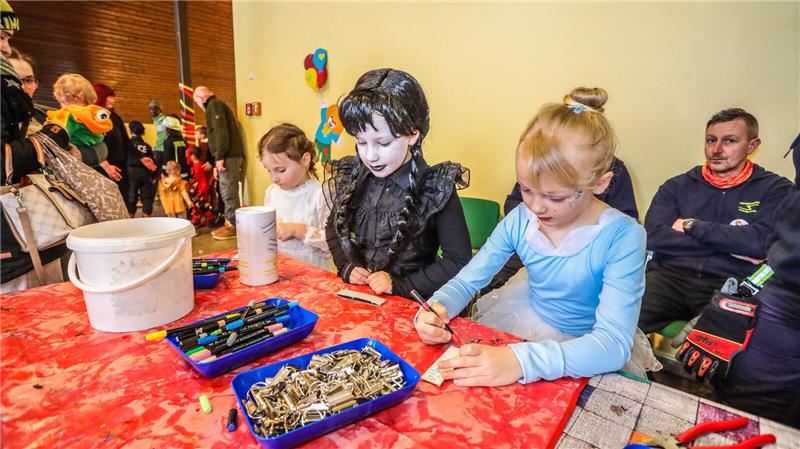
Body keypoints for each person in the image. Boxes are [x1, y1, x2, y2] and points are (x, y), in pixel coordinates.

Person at [415, 88, 651, 386]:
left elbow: (612, 344)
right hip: (526, 320)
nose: (537, 207)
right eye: (526, 189)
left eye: (555, 197)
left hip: (586, 352)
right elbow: (467, 280)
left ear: (601, 183)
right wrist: (438, 307)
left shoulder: (623, 237)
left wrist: (520, 360)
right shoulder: (520, 220)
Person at [638, 108, 793, 333]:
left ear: (752, 146)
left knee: (722, 341)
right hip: (669, 278)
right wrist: (729, 243)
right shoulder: (677, 186)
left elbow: (760, 243)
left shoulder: (776, 189)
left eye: (729, 141)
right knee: (621, 321)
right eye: (711, 140)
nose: (716, 150)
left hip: (732, 283)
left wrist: (691, 226)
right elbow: (653, 237)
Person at [324, 68, 472, 299]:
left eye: (383, 143)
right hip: (361, 300)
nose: (371, 156)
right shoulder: (354, 176)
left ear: (412, 134)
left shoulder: (436, 186)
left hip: (414, 305)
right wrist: (347, 266)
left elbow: (457, 260)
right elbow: (333, 226)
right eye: (361, 143)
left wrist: (399, 284)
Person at [1, 0, 71, 291]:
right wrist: (50, 140)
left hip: (32, 237)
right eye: (2, 37)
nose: (6, 48)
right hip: (15, 247)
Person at [259, 123, 332, 271]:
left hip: (313, 274)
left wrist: (301, 231)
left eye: (280, 170)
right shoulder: (272, 193)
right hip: (280, 271)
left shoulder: (320, 194)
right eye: (269, 171)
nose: (274, 178)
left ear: (305, 160)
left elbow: (334, 244)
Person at [193, 86, 244, 240]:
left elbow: (220, 132)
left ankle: (234, 225)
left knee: (228, 190)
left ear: (201, 98)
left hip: (229, 156)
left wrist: (220, 156)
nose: (199, 106)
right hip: (226, 156)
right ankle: (230, 222)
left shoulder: (214, 105)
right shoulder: (216, 106)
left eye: (197, 102)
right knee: (225, 189)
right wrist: (216, 161)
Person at [51, 73, 121, 182]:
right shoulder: (94, 112)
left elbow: (60, 136)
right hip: (100, 151)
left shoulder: (69, 115)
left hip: (83, 154)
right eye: (111, 97)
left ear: (63, 98)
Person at [93, 84, 130, 210]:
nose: (113, 100)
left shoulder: (114, 117)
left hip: (120, 166)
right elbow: (92, 143)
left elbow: (126, 141)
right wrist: (106, 165)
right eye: (110, 96)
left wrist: (142, 158)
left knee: (123, 202)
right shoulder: (95, 116)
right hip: (104, 168)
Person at [125, 120, 157, 218]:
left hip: (130, 171)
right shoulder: (147, 146)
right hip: (144, 172)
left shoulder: (128, 145)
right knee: (147, 195)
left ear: (130, 131)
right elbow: (152, 162)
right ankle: (146, 215)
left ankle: (131, 216)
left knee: (131, 194)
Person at [188, 148, 213, 227]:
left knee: (196, 205)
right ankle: (207, 219)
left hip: (200, 189)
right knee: (203, 205)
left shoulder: (197, 166)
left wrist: (192, 186)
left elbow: (197, 178)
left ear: (193, 156)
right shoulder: (201, 164)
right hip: (203, 188)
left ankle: (197, 220)